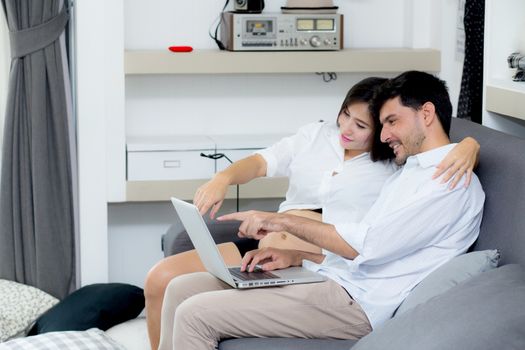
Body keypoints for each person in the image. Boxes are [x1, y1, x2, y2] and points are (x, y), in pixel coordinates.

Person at [156, 71, 485, 349]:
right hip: (331, 277)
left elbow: (365, 246)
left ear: (426, 114)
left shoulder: (446, 181)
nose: (384, 136)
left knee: (195, 313)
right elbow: (371, 254)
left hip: (356, 305)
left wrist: (279, 220)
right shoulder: (415, 170)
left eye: (391, 122)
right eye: (382, 124)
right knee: (180, 287)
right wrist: (301, 259)